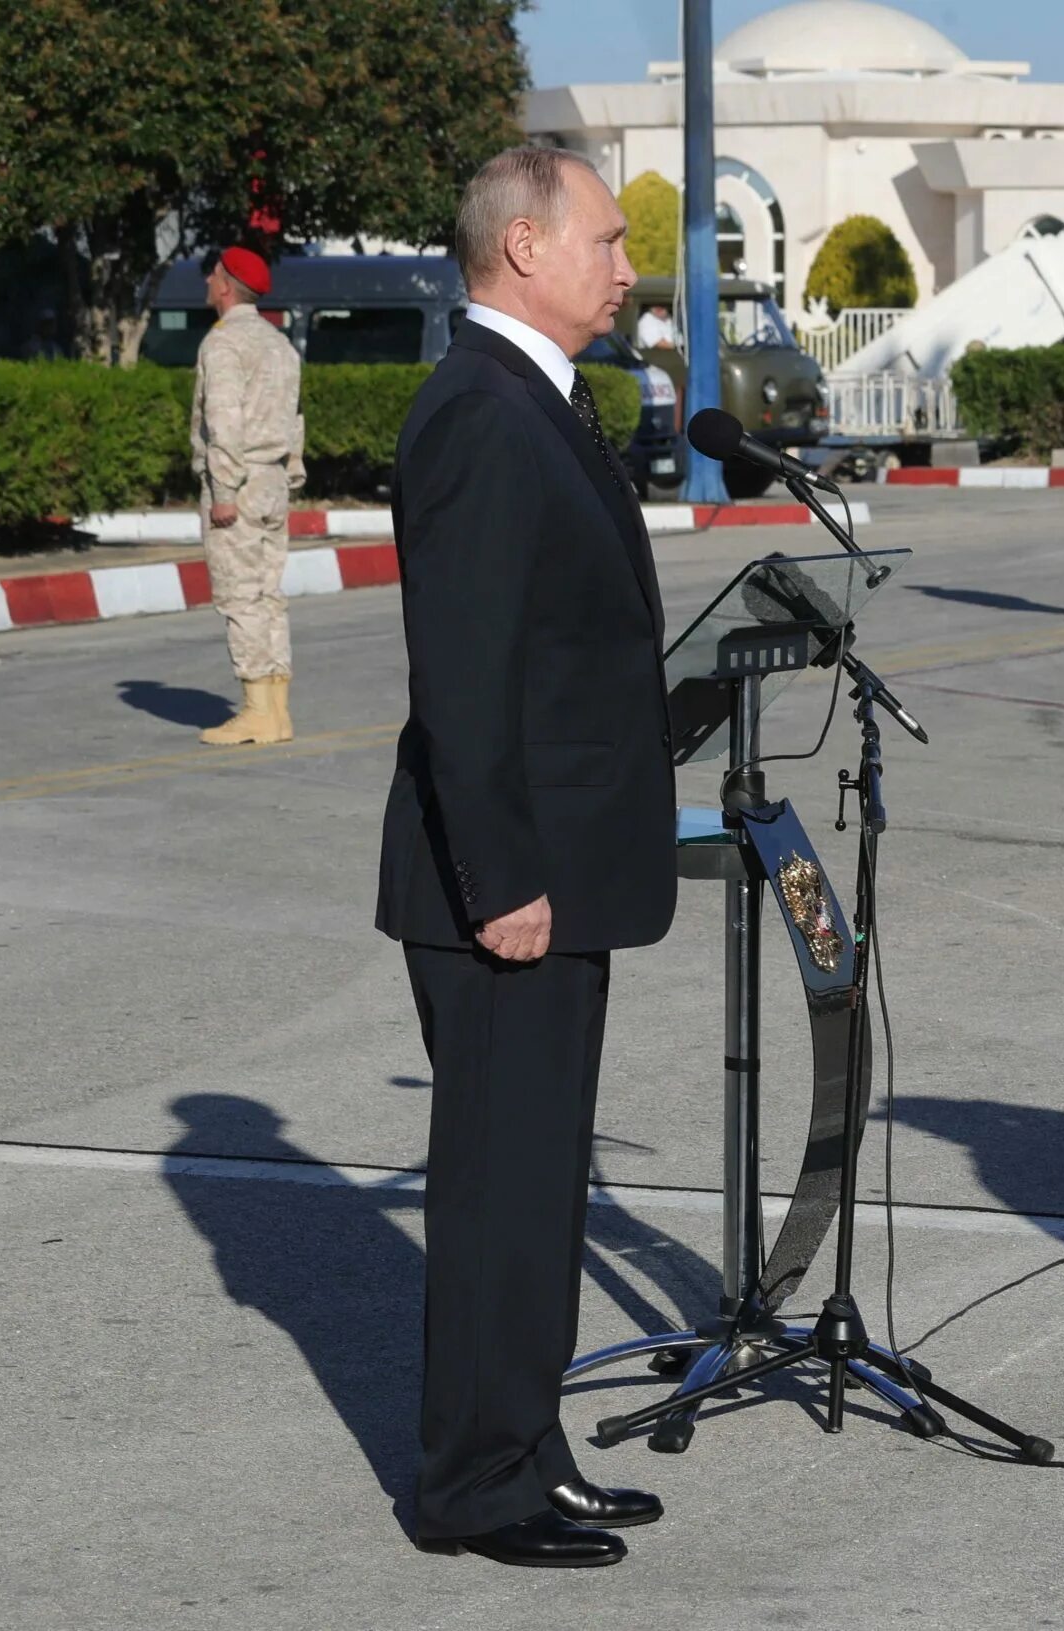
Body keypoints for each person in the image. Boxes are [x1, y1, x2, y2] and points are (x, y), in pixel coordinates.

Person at [377, 144, 677, 1569]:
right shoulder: (482, 418)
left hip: (558, 868)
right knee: (500, 1186)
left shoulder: (536, 402)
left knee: (540, 1178)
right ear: (521, 245)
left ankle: (525, 1440)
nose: (629, 267)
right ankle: (469, 1481)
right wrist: (501, 880)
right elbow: (467, 676)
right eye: (609, 242)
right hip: (504, 886)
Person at [189, 246, 305, 745]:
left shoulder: (224, 344)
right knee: (268, 594)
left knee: (241, 595)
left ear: (226, 286)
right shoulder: (279, 344)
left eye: (213, 275)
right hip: (273, 479)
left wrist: (223, 489)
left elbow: (224, 421)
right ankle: (276, 710)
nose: (208, 283)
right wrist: (291, 474)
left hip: (239, 481)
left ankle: (258, 709)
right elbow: (293, 417)